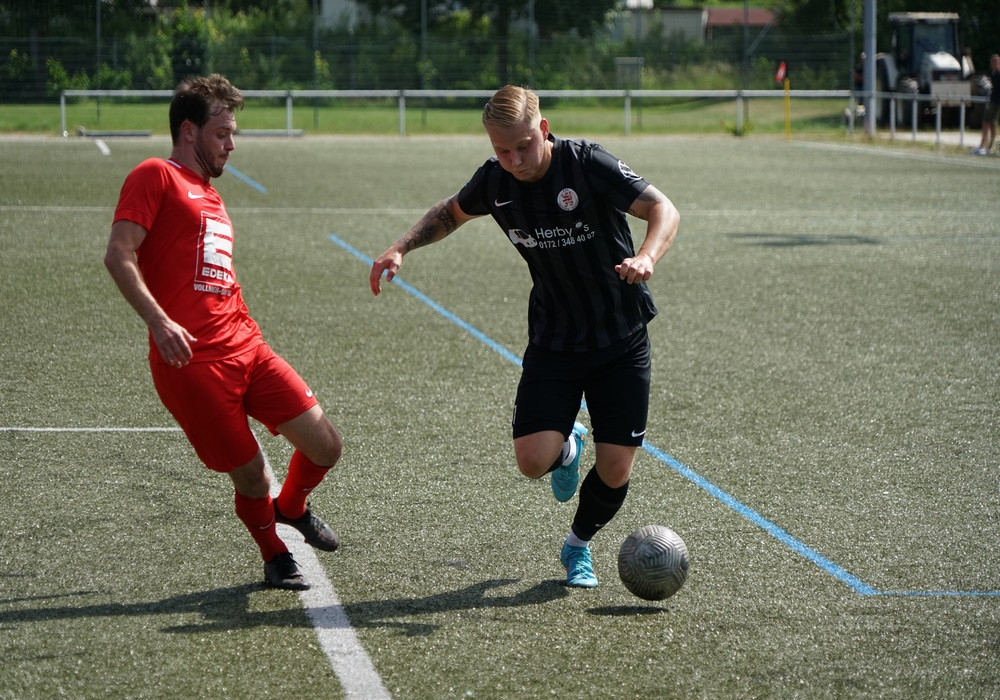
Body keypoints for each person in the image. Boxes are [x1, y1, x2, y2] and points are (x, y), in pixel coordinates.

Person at [369, 85, 680, 589]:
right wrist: (400, 247)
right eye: (501, 150)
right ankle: (567, 447)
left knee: (615, 467)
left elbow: (663, 208)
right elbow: (451, 212)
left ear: (544, 129)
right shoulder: (495, 181)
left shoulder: (587, 163)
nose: (514, 160)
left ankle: (577, 546)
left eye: (523, 146)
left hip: (620, 336)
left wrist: (646, 256)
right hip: (555, 338)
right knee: (533, 463)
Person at [105, 74, 343, 591]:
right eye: (222, 133)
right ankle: (274, 554)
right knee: (253, 475)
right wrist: (159, 321)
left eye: (233, 133)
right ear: (188, 132)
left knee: (326, 445)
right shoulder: (155, 174)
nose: (231, 144)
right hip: (193, 365)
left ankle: (292, 508)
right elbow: (119, 254)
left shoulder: (212, 197)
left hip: (248, 348)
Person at [973, 54, 1000, 156]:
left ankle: (986, 147)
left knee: (990, 123)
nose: (994, 64)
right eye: (992, 62)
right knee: (988, 123)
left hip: (997, 102)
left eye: (996, 62)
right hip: (992, 101)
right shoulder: (993, 74)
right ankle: (986, 147)